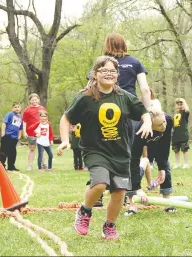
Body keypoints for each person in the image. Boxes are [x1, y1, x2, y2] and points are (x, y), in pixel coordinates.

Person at [57, 56, 152, 240]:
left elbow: (143, 112)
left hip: (120, 152)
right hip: (95, 150)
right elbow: (66, 118)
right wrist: (65, 140)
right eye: (104, 70)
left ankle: (109, 226)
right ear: (95, 74)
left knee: (119, 193)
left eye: (113, 71)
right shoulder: (85, 97)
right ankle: (84, 212)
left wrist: (147, 123)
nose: (109, 74)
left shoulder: (124, 97)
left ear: (117, 75)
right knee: (100, 183)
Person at [125, 111, 175, 216]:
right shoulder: (138, 131)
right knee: (130, 168)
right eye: (160, 125)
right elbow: (134, 160)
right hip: (141, 137)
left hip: (157, 141)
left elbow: (165, 147)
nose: (164, 126)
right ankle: (132, 204)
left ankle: (166, 202)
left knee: (166, 167)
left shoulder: (168, 120)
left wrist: (162, 167)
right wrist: (138, 188)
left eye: (164, 122)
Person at [22, 93, 47, 171]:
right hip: (31, 132)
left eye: (36, 99)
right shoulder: (27, 110)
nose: (34, 101)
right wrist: (24, 131)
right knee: (32, 148)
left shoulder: (42, 108)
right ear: (30, 101)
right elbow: (24, 122)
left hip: (41, 131)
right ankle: (30, 165)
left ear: (38, 100)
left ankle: (45, 164)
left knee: (42, 149)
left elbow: (45, 119)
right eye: (32, 100)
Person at [0, 102, 23, 171]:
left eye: (18, 107)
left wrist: (19, 136)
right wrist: (3, 132)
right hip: (7, 136)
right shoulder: (9, 114)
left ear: (20, 108)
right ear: (12, 108)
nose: (17, 108)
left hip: (14, 138)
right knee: (4, 151)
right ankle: (2, 165)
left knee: (12, 152)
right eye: (15, 107)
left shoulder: (20, 117)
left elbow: (20, 128)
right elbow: (4, 123)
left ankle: (11, 166)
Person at [172, 98, 190, 169]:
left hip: (183, 135)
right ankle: (177, 163)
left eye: (181, 104)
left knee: (184, 149)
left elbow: (187, 110)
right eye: (178, 104)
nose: (179, 106)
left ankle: (186, 163)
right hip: (176, 135)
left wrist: (183, 101)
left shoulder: (185, 113)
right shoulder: (175, 114)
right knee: (176, 150)